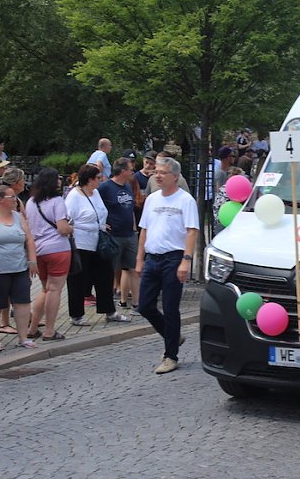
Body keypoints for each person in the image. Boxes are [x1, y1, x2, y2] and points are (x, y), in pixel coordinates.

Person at [135, 157, 199, 374]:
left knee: (171, 308)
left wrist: (186, 261)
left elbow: (192, 231)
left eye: (162, 172)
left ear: (175, 176)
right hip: (153, 258)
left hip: (173, 259)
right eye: (156, 172)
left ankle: (170, 355)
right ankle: (173, 335)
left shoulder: (185, 200)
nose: (158, 176)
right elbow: (144, 229)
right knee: (145, 306)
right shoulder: (152, 199)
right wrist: (139, 259)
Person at [65, 164, 129, 326]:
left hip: (99, 242)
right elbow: (69, 219)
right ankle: (76, 315)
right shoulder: (74, 196)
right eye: (98, 178)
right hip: (81, 243)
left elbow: (100, 212)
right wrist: (88, 226)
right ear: (90, 180)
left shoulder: (95, 194)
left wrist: (102, 225)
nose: (101, 180)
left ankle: (109, 310)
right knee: (78, 280)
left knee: (105, 276)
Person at [0, 185, 38, 351]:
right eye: (11, 197)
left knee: (23, 302)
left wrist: (32, 260)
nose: (15, 200)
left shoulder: (18, 217)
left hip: (19, 267)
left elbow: (29, 239)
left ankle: (23, 337)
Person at [26, 168, 73, 342]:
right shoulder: (57, 201)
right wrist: (71, 228)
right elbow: (62, 228)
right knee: (55, 290)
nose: (60, 182)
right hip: (57, 248)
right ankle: (49, 330)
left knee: (45, 289)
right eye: (57, 179)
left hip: (38, 250)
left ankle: (32, 328)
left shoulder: (31, 201)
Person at [98, 157, 142, 312]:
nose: (133, 172)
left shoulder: (128, 187)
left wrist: (134, 227)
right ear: (123, 171)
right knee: (110, 270)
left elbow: (129, 209)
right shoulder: (105, 187)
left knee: (132, 269)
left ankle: (135, 303)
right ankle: (109, 306)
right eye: (130, 169)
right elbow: (95, 205)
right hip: (113, 235)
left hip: (129, 234)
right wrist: (102, 224)